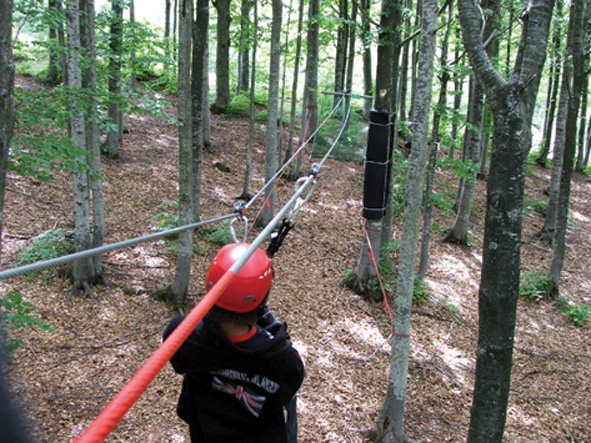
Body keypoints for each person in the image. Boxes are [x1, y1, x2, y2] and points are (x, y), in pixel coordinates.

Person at [163, 242, 305, 443]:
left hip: (206, 433)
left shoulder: (182, 335)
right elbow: (296, 379)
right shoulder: (280, 358)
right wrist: (269, 321)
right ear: (261, 300)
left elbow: (172, 347)